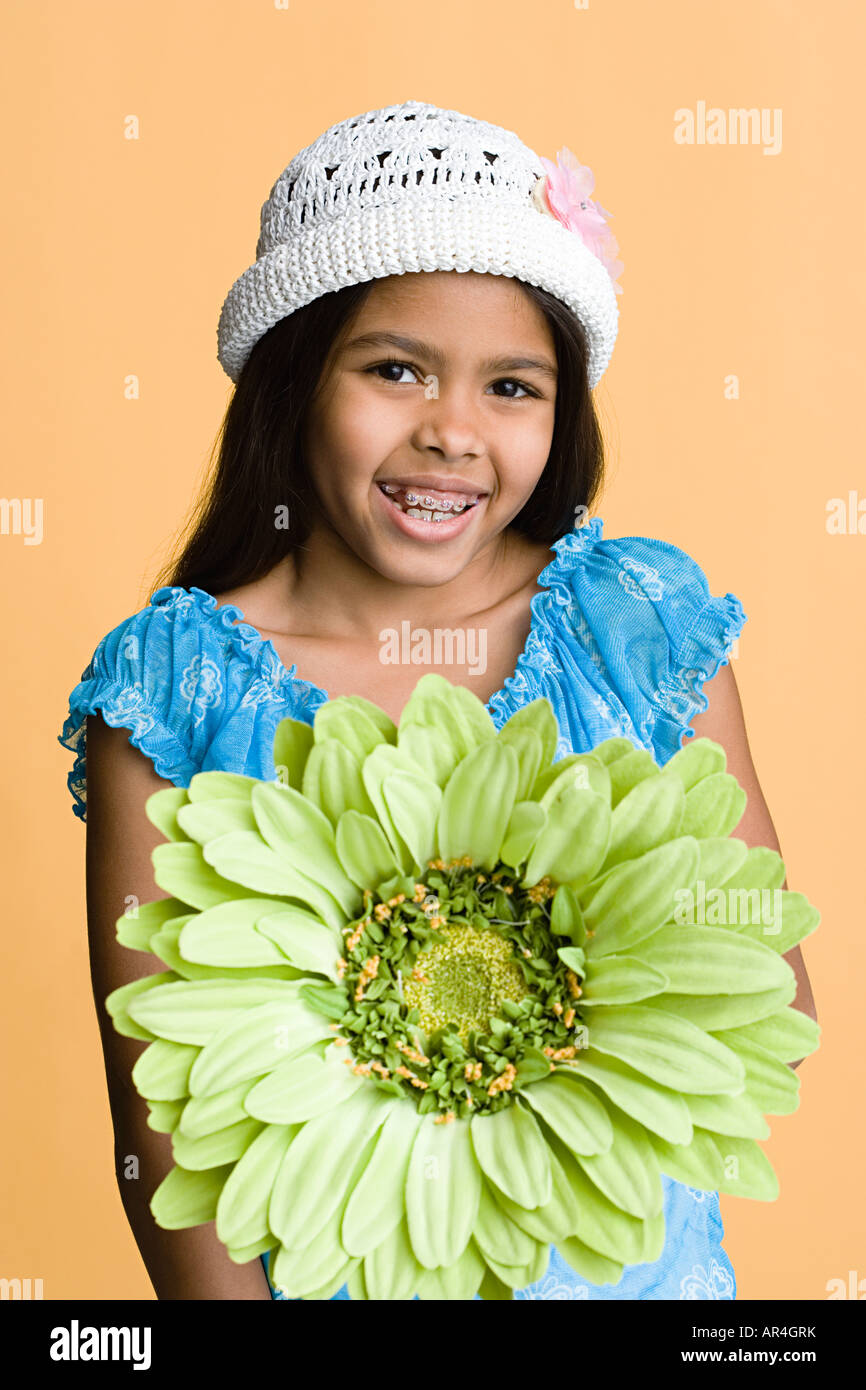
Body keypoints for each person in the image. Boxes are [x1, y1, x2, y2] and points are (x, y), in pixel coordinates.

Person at [58, 98, 816, 1301]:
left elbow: (764, 985)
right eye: (395, 368)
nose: (452, 431)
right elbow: (164, 1132)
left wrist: (563, 963)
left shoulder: (634, 629)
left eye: (512, 385)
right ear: (294, 381)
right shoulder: (171, 689)